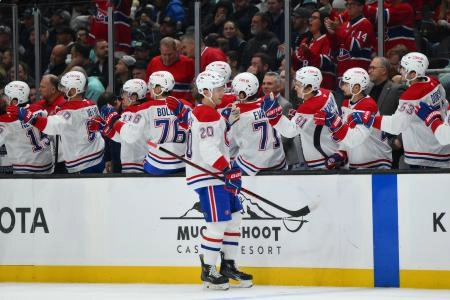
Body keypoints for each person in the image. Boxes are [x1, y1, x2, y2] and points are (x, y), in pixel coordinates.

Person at [169, 70, 252, 289]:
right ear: (205, 91)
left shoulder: (210, 113)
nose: (223, 92)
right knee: (217, 224)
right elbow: (207, 149)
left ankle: (228, 265)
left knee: (234, 220)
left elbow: (211, 138)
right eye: (218, 89)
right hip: (210, 177)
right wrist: (228, 170)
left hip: (217, 175)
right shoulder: (206, 113)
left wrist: (228, 122)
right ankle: (208, 270)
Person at [352, 52, 450, 168]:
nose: (400, 71)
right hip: (442, 149)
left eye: (403, 68)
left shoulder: (412, 95)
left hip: (425, 154)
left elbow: (396, 125)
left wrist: (369, 119)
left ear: (413, 73)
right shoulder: (434, 82)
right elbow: (446, 105)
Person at [11, 71, 105, 173]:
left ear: (73, 90)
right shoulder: (91, 104)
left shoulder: (70, 110)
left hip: (84, 162)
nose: (62, 90)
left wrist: (28, 116)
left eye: (65, 87)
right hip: (98, 155)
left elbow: (51, 126)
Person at [261, 66, 340, 169]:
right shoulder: (327, 93)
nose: (295, 87)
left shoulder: (309, 107)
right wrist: (299, 116)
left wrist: (274, 116)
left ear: (309, 88)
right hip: (333, 150)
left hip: (322, 159)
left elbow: (290, 132)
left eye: (298, 85)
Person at [314, 67, 392, 169]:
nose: (342, 87)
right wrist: (342, 152)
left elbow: (356, 138)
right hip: (359, 163)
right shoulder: (346, 103)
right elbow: (348, 132)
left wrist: (336, 124)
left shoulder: (367, 106)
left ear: (356, 88)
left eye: (346, 84)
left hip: (376, 163)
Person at [229, 72, 287, 175]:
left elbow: (231, 144)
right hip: (278, 161)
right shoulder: (269, 104)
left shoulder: (237, 112)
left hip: (253, 164)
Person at [1, 81, 54, 174]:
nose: (3, 98)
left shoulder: (7, 120)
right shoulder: (39, 109)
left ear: (14, 100)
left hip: (24, 168)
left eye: (6, 96)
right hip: (47, 164)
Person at [367, 56, 406, 168]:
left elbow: (408, 116)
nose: (369, 71)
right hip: (369, 145)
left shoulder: (397, 89)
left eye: (373, 68)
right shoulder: (367, 89)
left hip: (389, 146)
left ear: (383, 70)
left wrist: (399, 140)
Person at [34, 74, 68, 173]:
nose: (39, 89)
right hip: (46, 160)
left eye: (43, 87)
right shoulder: (41, 104)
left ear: (53, 90)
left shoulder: (65, 106)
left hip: (63, 161)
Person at [146, 37, 195, 103]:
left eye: (170, 54)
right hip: (158, 107)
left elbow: (194, 87)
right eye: (164, 54)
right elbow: (148, 87)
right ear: (160, 50)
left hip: (182, 107)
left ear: (176, 50)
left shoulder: (188, 63)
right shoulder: (154, 62)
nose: (167, 58)